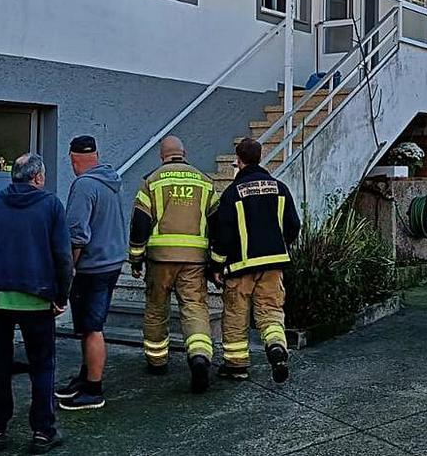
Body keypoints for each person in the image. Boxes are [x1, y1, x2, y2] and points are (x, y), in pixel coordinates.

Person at [0, 154, 72, 454]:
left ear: (12, 176)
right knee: (42, 367)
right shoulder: (51, 205)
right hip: (38, 297)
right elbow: (63, 256)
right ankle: (43, 432)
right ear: (39, 177)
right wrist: (61, 296)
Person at [128, 136, 217, 393]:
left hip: (160, 259)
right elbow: (218, 223)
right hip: (194, 261)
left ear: (161, 156)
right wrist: (216, 262)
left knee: (156, 308)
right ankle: (199, 356)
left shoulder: (152, 182)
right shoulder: (204, 182)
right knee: (195, 309)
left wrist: (136, 258)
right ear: (184, 153)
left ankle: (157, 360)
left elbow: (140, 223)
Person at [208, 138, 300, 383]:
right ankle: (276, 347)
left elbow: (223, 234)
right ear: (260, 158)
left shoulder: (232, 193)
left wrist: (216, 265)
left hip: (240, 268)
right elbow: (293, 226)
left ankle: (236, 365)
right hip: (273, 265)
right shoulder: (280, 188)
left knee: (236, 316)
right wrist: (279, 246)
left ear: (238, 161)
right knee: (270, 312)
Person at [55, 136, 128, 411]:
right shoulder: (111, 181)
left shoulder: (83, 186)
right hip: (110, 261)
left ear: (73, 159)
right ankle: (86, 378)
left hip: (92, 266)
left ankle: (94, 389)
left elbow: (76, 233)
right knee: (89, 327)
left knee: (92, 328)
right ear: (96, 155)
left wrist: (69, 266)